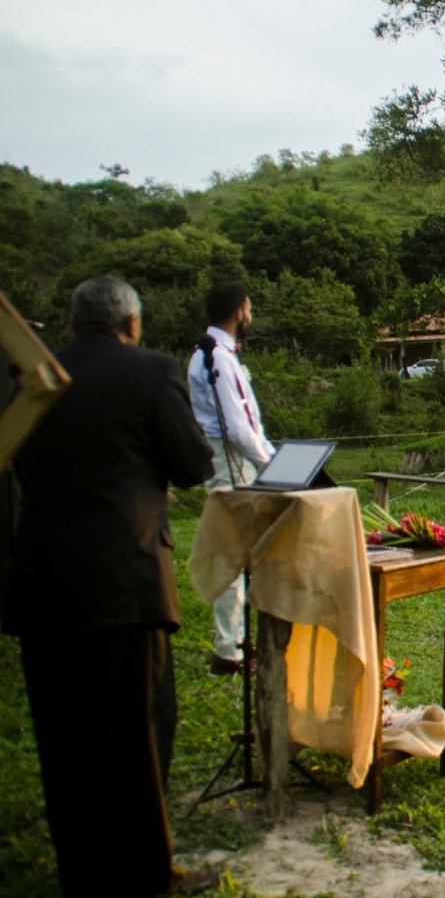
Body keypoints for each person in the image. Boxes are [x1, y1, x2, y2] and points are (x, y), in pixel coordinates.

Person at [6, 276, 218, 896]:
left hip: (42, 581)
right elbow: (191, 464)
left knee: (64, 737)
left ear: (74, 322)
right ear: (131, 322)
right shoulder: (149, 372)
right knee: (139, 731)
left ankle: (83, 870)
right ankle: (149, 873)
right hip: (123, 581)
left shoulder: (33, 378)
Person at [186, 281, 275, 678]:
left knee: (246, 550)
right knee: (232, 553)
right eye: (249, 307)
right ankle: (229, 649)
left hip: (236, 458)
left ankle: (238, 640)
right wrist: (270, 463)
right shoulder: (214, 358)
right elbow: (237, 428)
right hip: (229, 460)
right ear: (240, 309)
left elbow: (248, 422)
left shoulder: (217, 353)